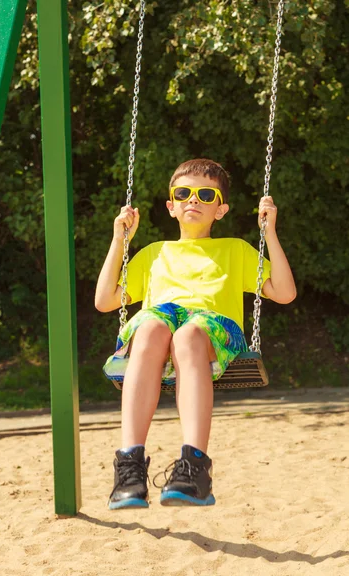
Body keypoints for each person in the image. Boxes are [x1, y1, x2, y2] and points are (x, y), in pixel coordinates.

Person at [95, 158, 296, 509]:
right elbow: (105, 300)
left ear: (221, 210)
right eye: (184, 193)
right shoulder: (154, 253)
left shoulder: (235, 249)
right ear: (171, 206)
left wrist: (270, 234)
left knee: (187, 336)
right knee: (151, 327)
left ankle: (194, 468)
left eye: (206, 194)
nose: (194, 200)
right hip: (163, 326)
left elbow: (284, 291)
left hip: (212, 329)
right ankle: (130, 466)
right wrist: (119, 240)